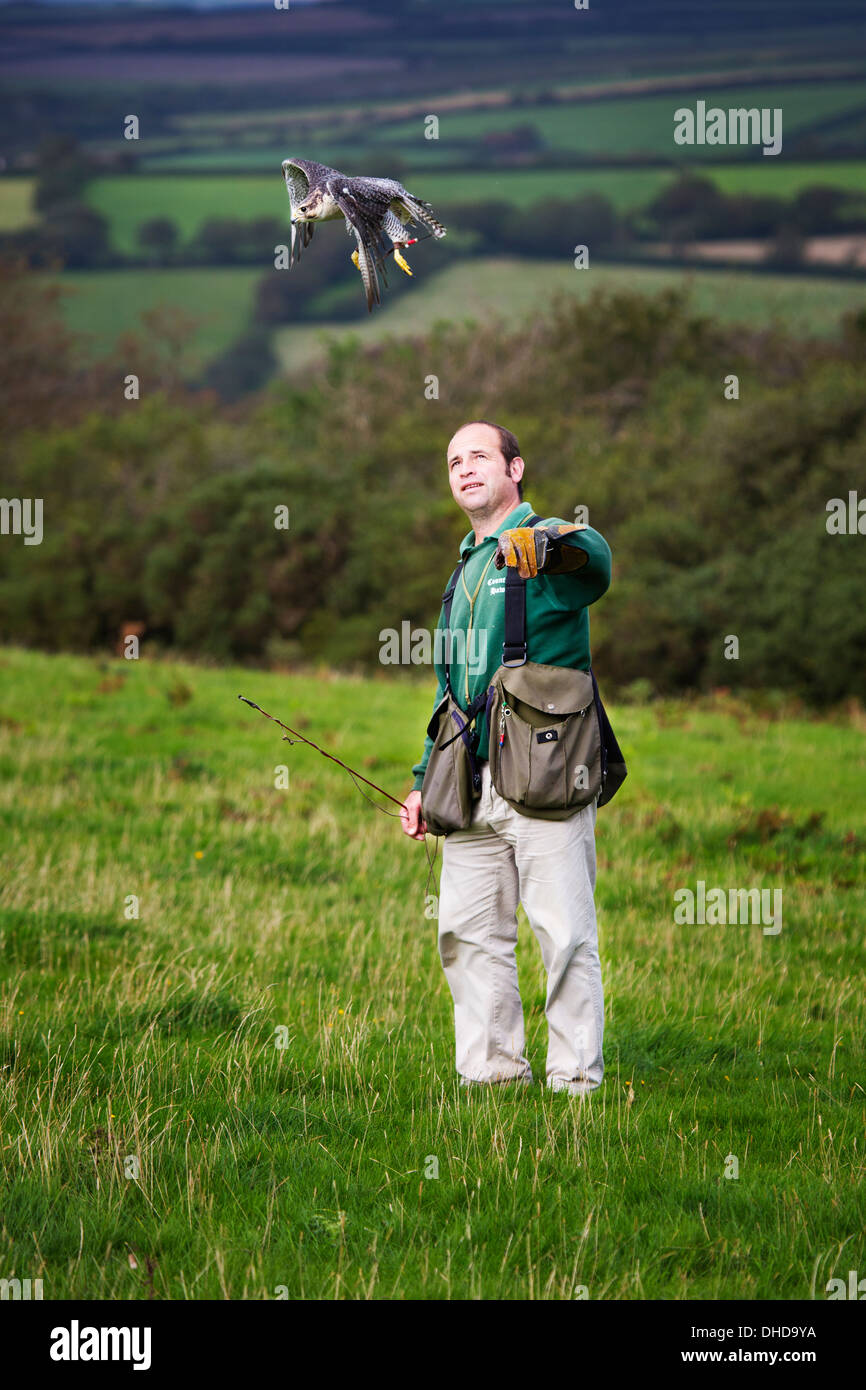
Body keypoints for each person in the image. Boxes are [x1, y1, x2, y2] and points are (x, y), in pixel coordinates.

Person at [400, 420, 612, 1094]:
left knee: (566, 936)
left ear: (514, 468)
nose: (464, 468)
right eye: (453, 460)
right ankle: (492, 1076)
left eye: (480, 456)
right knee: (466, 936)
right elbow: (448, 691)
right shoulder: (461, 570)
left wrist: (547, 544)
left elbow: (597, 561)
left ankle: (575, 1084)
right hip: (466, 783)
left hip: (545, 770)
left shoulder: (544, 549)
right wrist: (419, 785)